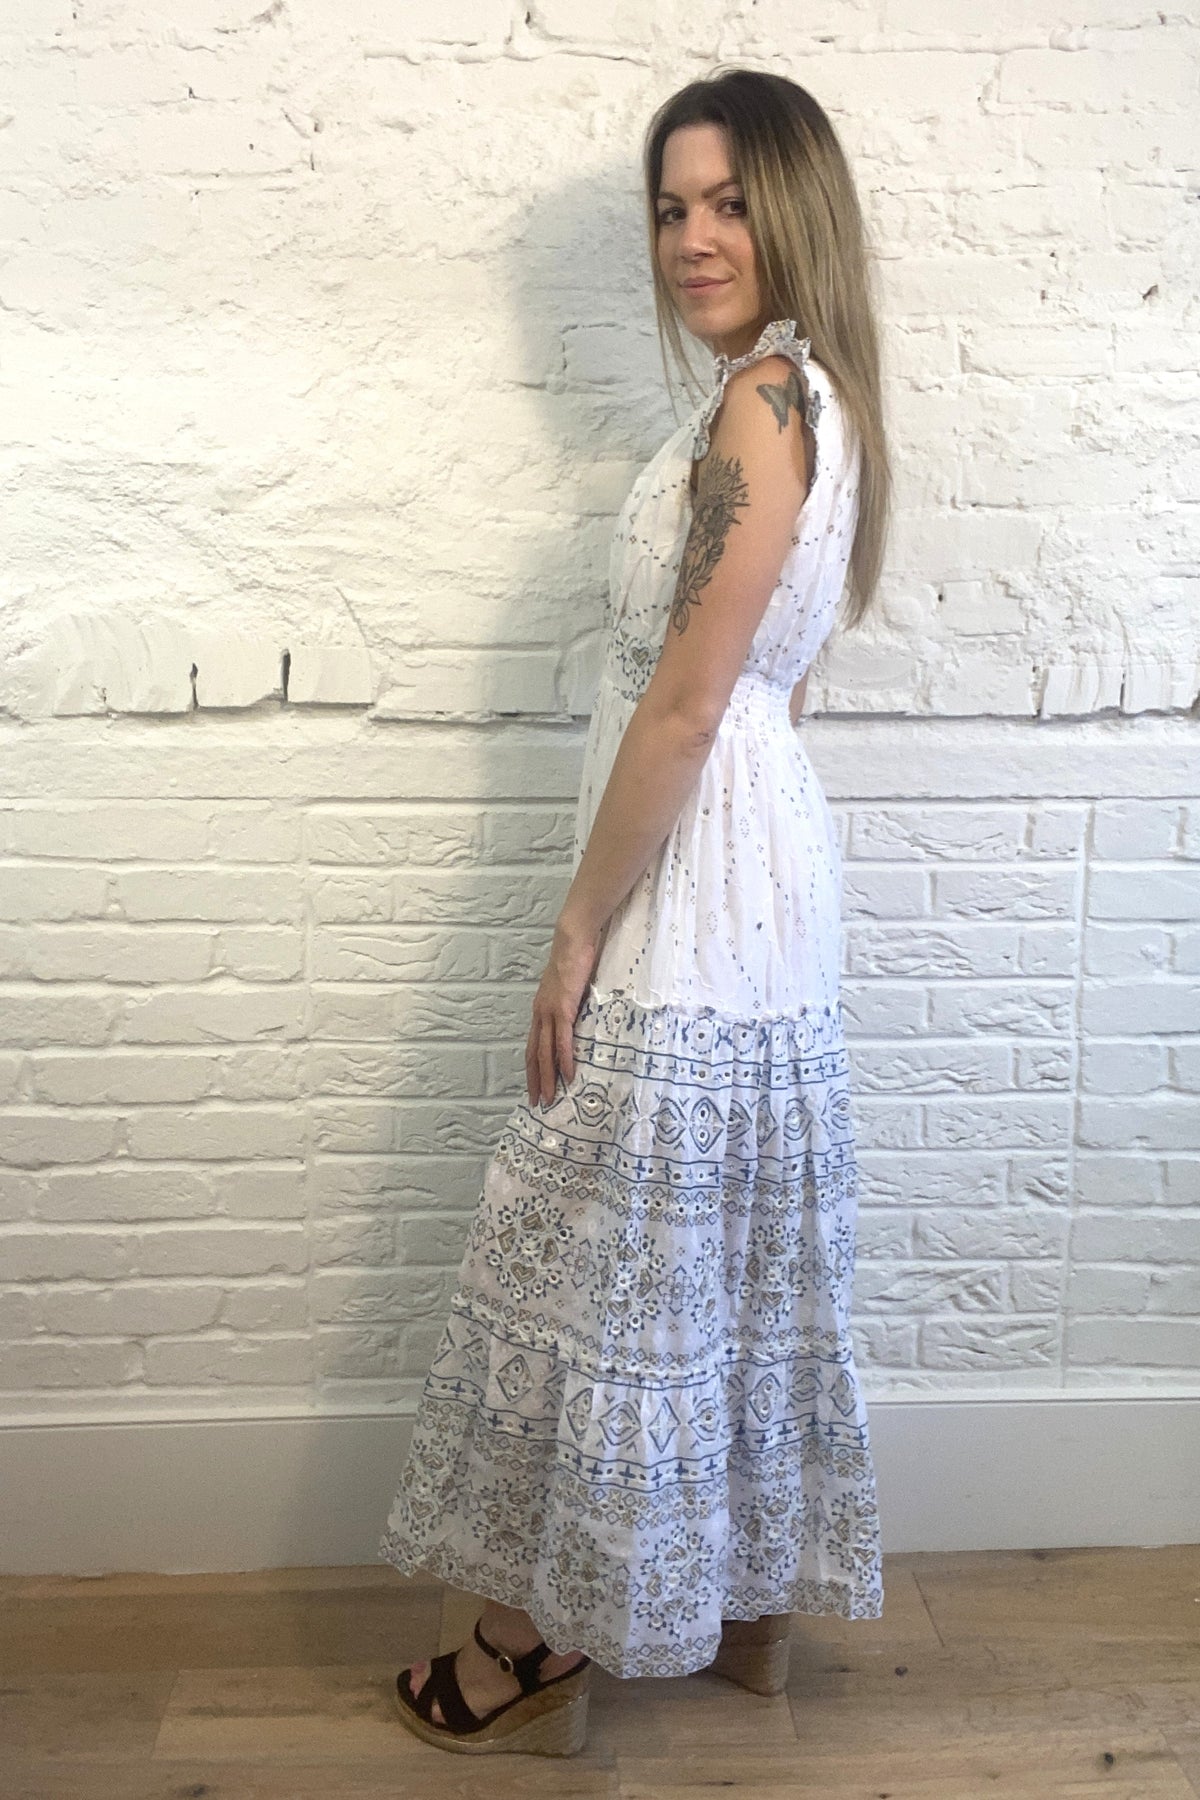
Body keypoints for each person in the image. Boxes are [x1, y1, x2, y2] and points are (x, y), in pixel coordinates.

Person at [379, 63, 892, 1757]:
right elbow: (779, 691)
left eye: (730, 201)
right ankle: (749, 1612)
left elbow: (684, 707)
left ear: (794, 208)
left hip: (689, 888)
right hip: (768, 885)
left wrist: (577, 930)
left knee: (613, 1261)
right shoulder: (815, 401)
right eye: (672, 207)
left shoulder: (762, 407)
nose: (693, 237)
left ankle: (531, 1643)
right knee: (726, 1252)